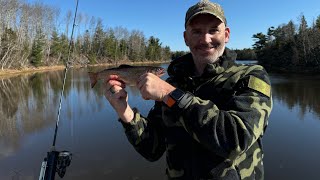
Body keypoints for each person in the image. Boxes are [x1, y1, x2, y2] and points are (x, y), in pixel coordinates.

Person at [105, 0, 273, 179]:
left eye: (213, 30)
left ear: (226, 34)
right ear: (186, 38)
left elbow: (236, 140)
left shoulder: (251, 76)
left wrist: (170, 94)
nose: (205, 39)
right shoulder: (174, 83)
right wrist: (124, 110)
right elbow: (152, 149)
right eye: (197, 31)